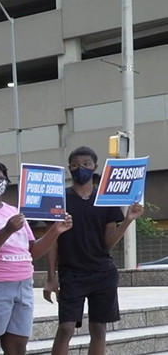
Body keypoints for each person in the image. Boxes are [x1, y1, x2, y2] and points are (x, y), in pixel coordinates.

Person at [0, 159, 73, 355]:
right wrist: (7, 230)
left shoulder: (13, 211)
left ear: (7, 180)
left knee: (17, 347)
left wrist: (55, 231)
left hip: (23, 285)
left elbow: (32, 251)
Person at [44, 146, 144, 355]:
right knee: (66, 328)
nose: (81, 168)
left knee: (99, 329)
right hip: (71, 274)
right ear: (69, 169)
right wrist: (51, 278)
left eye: (86, 164)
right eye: (75, 165)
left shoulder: (105, 199)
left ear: (95, 167)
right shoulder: (59, 200)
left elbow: (108, 243)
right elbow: (53, 242)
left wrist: (127, 221)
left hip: (102, 273)